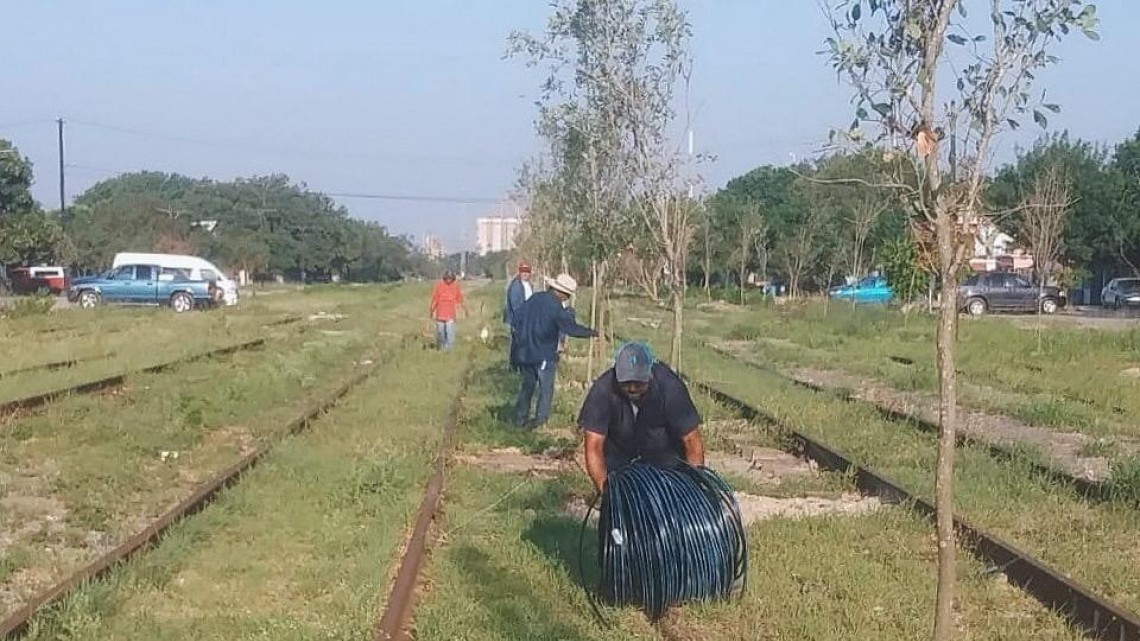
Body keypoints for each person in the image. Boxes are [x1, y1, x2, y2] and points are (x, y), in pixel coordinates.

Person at [578, 341, 706, 493]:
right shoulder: (602, 390)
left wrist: (692, 489)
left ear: (650, 375)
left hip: (665, 463)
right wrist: (606, 492)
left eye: (638, 383)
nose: (632, 388)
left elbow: (692, 441)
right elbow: (593, 446)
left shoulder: (670, 388)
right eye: (625, 383)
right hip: (620, 464)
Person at [511, 273, 596, 428]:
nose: (566, 299)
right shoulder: (556, 307)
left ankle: (519, 420)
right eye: (567, 295)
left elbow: (516, 319)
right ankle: (540, 422)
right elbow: (570, 328)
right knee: (546, 390)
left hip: (525, 351)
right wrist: (591, 332)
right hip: (543, 354)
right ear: (562, 293)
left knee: (527, 388)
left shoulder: (534, 299)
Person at [429, 270, 467, 350]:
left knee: (450, 333)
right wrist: (431, 311)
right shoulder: (439, 286)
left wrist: (465, 310)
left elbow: (460, 299)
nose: (448, 280)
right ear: (444, 278)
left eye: (450, 278)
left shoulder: (456, 286)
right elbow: (435, 299)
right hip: (440, 315)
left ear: (453, 278)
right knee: (440, 333)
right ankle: (442, 347)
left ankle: (449, 349)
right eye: (447, 278)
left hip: (450, 316)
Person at [503, 262, 533, 327]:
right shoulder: (516, 286)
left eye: (527, 271)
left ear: (530, 272)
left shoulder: (529, 284)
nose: (525, 273)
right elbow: (516, 307)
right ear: (520, 272)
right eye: (523, 270)